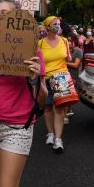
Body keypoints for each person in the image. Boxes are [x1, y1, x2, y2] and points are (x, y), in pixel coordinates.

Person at [0, 8, 47, 187]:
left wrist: (35, 79)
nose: (1, 16)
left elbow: (42, 101)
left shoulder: (34, 53)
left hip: (18, 127)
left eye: (5, 12)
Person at [39, 16, 71, 153]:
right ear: (47, 27)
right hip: (45, 78)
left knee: (59, 109)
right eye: (54, 23)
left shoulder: (64, 41)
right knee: (47, 108)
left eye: (58, 23)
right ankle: (50, 134)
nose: (57, 25)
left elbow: (68, 57)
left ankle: (58, 140)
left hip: (61, 78)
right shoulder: (39, 43)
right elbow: (37, 62)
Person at [65, 33, 82, 124]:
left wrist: (64, 63)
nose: (67, 42)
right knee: (67, 96)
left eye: (69, 41)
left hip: (73, 76)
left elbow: (76, 65)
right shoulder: (68, 51)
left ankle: (66, 115)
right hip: (66, 75)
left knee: (69, 96)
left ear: (74, 41)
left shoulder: (78, 51)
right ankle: (68, 111)